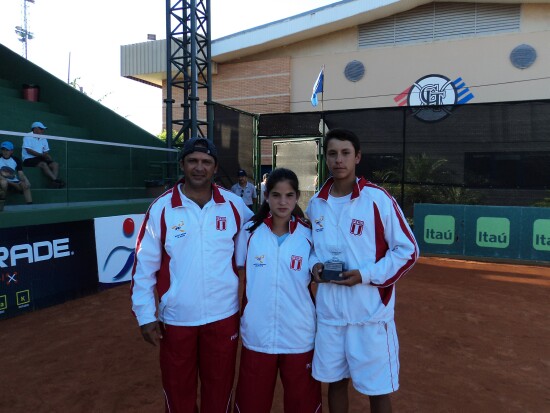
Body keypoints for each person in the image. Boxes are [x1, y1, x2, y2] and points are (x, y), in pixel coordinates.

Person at [131, 137, 254, 413]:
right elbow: (143, 268)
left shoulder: (235, 206)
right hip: (177, 319)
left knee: (219, 390)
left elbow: (264, 232)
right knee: (178, 392)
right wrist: (145, 316)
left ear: (215, 167)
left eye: (206, 162)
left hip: (223, 317)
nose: (199, 168)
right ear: (182, 164)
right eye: (193, 161)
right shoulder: (161, 208)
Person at [306, 128, 419, 413]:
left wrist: (366, 275)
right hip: (331, 315)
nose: (338, 160)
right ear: (326, 157)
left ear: (357, 157)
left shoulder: (378, 199)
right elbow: (310, 249)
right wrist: (314, 266)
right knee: (335, 383)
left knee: (377, 390)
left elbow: (408, 251)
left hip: (370, 316)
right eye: (332, 153)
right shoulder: (316, 204)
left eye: (345, 153)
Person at [234, 168, 322, 413]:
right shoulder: (249, 233)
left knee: (302, 406)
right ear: (266, 196)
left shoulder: (309, 235)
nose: (282, 202)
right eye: (276, 195)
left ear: (297, 197)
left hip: (299, 337)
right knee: (251, 405)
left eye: (289, 195)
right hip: (258, 337)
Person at [22, 121, 65, 188]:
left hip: (40, 157)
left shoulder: (44, 138)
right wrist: (42, 155)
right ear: (35, 129)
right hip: (28, 159)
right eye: (41, 129)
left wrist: (46, 156)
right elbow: (28, 151)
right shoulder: (28, 136)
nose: (43, 130)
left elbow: (46, 151)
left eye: (43, 129)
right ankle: (56, 180)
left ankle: (54, 183)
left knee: (55, 164)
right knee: (43, 164)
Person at [0, 141, 32, 208]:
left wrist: (25, 181)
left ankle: (30, 206)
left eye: (7, 150)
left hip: (14, 180)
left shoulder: (16, 160)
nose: (5, 152)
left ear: (11, 151)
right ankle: (2, 203)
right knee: (3, 182)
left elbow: (20, 174)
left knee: (25, 185)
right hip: (2, 181)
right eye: (3, 149)